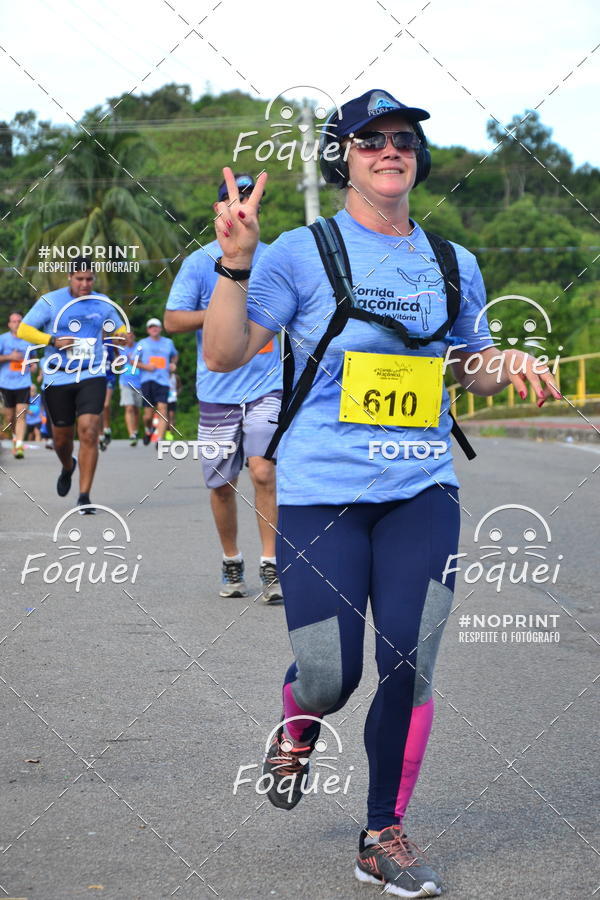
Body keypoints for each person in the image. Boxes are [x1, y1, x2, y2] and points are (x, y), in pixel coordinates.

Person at [203, 90, 561, 897]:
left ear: (418, 156)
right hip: (323, 490)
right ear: (345, 156)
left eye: (403, 139)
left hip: (420, 487)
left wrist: (505, 364)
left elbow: (466, 359)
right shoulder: (299, 251)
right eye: (370, 141)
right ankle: (298, 721)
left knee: (410, 659)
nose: (390, 150)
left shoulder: (451, 261)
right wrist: (235, 262)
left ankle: (381, 834)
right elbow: (225, 353)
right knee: (332, 675)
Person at [164, 173, 284, 603]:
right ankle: (231, 558)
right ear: (219, 210)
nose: (240, 206)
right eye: (232, 200)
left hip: (268, 383)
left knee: (263, 470)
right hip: (217, 389)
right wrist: (222, 311)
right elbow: (174, 320)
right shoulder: (199, 263)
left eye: (249, 200)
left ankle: (271, 565)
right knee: (220, 483)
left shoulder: (275, 258)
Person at [17, 258, 126, 513]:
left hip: (92, 373)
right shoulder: (51, 301)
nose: (85, 284)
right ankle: (68, 465)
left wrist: (122, 334)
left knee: (89, 430)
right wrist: (53, 340)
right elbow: (24, 329)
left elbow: (117, 326)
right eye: (80, 279)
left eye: (89, 279)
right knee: (61, 439)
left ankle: (85, 496)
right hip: (58, 375)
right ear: (69, 278)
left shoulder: (103, 302)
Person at [0, 311, 36, 458]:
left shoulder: (28, 340)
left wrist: (33, 366)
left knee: (21, 414)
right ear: (9, 324)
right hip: (5, 383)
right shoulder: (3, 339)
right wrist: (10, 357)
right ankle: (15, 437)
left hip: (23, 382)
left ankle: (20, 444)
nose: (16, 323)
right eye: (13, 321)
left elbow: (33, 360)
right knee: (9, 418)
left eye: (19, 321)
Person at [136, 318, 178, 445]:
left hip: (163, 381)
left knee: (163, 408)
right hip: (147, 380)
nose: (154, 329)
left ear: (160, 329)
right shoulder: (142, 343)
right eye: (151, 327)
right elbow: (133, 361)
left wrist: (173, 364)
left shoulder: (168, 343)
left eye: (156, 326)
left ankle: (159, 438)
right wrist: (145, 366)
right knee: (148, 415)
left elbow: (175, 355)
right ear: (148, 330)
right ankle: (148, 429)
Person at [118, 330, 142, 446]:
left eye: (131, 335)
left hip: (139, 381)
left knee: (137, 409)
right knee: (129, 407)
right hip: (125, 381)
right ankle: (131, 434)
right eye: (127, 336)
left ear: (134, 336)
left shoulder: (140, 347)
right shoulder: (120, 348)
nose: (129, 338)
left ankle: (136, 430)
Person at [165, 371, 180, 440]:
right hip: (164, 399)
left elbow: (180, 387)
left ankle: (171, 433)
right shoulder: (163, 376)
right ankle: (167, 432)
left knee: (171, 416)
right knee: (165, 417)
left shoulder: (176, 377)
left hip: (172, 399)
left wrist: (177, 393)